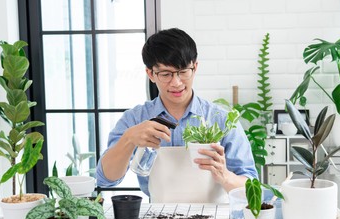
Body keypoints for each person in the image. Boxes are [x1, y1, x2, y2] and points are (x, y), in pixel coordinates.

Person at [96, 28, 257, 200]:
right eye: (166, 74)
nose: (176, 82)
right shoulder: (135, 119)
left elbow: (252, 188)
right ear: (150, 74)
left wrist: (225, 175)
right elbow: (105, 179)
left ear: (195, 67)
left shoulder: (221, 120)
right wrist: (128, 139)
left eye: (183, 72)